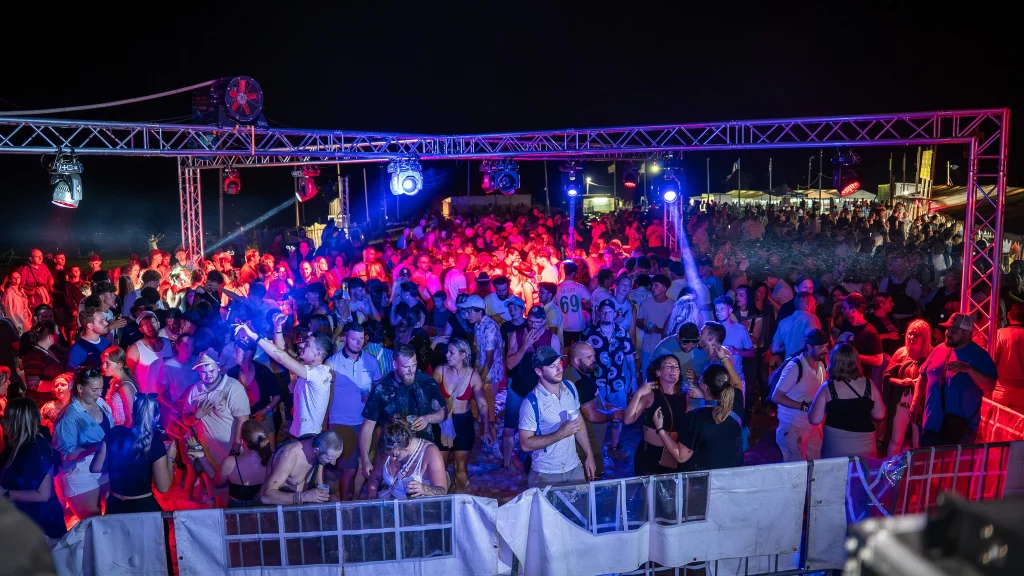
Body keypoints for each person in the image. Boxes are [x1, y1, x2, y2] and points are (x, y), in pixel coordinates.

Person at [235, 315, 335, 438]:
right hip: (299, 433)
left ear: (318, 353)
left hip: (309, 437)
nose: (301, 345)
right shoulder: (306, 368)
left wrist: (253, 335)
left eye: (307, 344)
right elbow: (281, 351)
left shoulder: (319, 373)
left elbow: (281, 357)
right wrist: (278, 328)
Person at [358, 345, 447, 482]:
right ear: (395, 364)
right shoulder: (382, 389)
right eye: (406, 367)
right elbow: (367, 427)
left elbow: (443, 412)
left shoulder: (427, 382)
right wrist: (365, 459)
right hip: (392, 456)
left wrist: (428, 418)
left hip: (423, 453)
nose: (411, 370)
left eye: (414, 365)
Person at [654, 344, 745, 471]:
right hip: (734, 473)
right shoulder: (736, 401)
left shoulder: (695, 417)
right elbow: (737, 383)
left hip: (708, 478)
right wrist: (723, 358)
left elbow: (681, 456)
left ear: (704, 386)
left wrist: (660, 429)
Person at [914, 313, 997, 447]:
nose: (947, 333)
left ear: (967, 333)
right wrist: (916, 401)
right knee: (927, 460)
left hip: (960, 431)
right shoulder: (939, 349)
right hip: (930, 425)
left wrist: (969, 369)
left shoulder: (979, 355)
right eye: (947, 329)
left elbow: (990, 385)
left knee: (954, 461)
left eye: (953, 331)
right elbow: (923, 375)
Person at [518, 346, 595, 488]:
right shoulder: (531, 403)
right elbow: (525, 444)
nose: (559, 369)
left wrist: (589, 455)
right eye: (552, 366)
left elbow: (579, 423)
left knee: (581, 503)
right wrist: (561, 433)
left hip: (574, 468)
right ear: (539, 371)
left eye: (559, 363)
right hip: (545, 474)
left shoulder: (570, 388)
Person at [89, 394, 175, 514]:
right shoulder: (156, 445)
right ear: (157, 417)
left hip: (115, 506)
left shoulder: (115, 432)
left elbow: (95, 468)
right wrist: (170, 458)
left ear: (133, 415)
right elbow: (163, 487)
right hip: (142, 508)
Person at [325, 321, 382, 501]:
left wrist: (372, 396)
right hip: (342, 422)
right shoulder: (332, 363)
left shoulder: (371, 361)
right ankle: (344, 505)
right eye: (354, 339)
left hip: (367, 422)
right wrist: (325, 424)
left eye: (361, 338)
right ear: (345, 338)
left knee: (367, 465)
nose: (358, 343)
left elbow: (379, 389)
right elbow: (324, 396)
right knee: (349, 469)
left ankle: (355, 499)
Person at [0, 398, 66, 541]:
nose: (2, 420)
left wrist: (6, 494)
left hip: (41, 524)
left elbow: (43, 494)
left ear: (17, 421)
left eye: (6, 416)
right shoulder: (13, 444)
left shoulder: (37, 448)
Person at [52, 367, 113, 521]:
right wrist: (96, 447)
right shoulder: (69, 417)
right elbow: (66, 454)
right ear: (80, 388)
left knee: (114, 515)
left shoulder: (101, 403)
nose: (99, 393)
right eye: (94, 390)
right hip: (79, 474)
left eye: (101, 388)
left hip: (104, 468)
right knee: (94, 524)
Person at [181, 353, 250, 483]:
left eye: (212, 371)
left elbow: (243, 421)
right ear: (198, 372)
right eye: (204, 372)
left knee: (235, 486)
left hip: (232, 451)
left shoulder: (233, 387)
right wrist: (196, 415)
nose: (208, 375)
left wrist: (235, 451)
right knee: (215, 487)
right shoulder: (195, 391)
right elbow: (185, 420)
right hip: (208, 453)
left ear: (219, 367)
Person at [433, 338, 491, 492]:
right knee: (440, 468)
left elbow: (482, 404)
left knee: (461, 468)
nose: (447, 355)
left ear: (463, 355)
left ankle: (459, 498)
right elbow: (427, 397)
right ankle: (442, 500)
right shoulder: (440, 371)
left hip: (463, 425)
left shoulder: (473, 376)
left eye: (451, 352)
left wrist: (486, 428)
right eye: (447, 351)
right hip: (442, 423)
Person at [808, 344, 886, 459]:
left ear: (834, 361)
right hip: (865, 446)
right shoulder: (869, 384)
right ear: (856, 361)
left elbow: (814, 419)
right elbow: (880, 414)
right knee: (861, 470)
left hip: (836, 446)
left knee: (835, 470)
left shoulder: (828, 387)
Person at [624, 354, 692, 475]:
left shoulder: (684, 395)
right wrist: (638, 394)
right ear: (658, 372)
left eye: (676, 366)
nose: (673, 369)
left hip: (673, 453)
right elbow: (628, 420)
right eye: (668, 366)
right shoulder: (649, 394)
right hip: (649, 456)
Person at [770, 329, 829, 462]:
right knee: (794, 469)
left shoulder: (821, 365)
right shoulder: (795, 367)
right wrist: (804, 406)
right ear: (809, 346)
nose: (825, 350)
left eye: (826, 346)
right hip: (793, 426)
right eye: (821, 347)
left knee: (815, 465)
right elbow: (776, 397)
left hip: (813, 426)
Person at [569, 342, 623, 479]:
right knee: (593, 478)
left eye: (593, 356)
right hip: (589, 444)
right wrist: (612, 415)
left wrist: (604, 406)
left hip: (582, 443)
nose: (594, 360)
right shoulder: (581, 382)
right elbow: (592, 415)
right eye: (589, 357)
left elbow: (587, 403)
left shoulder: (571, 373)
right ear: (577, 360)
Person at [188, 419, 271, 507]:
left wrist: (201, 456)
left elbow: (216, 482)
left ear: (242, 441)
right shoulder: (272, 458)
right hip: (263, 508)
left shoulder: (230, 463)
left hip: (237, 510)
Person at [882, 320, 931, 456]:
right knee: (896, 440)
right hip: (901, 405)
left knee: (918, 443)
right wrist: (901, 382)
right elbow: (887, 376)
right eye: (910, 333)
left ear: (925, 336)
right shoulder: (901, 353)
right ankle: (891, 467)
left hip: (922, 407)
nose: (911, 337)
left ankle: (918, 468)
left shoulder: (931, 354)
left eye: (916, 335)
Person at [367, 417, 448, 499]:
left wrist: (423, 489)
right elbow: (375, 477)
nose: (393, 459)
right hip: (393, 503)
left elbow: (442, 490)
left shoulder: (429, 452)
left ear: (408, 444)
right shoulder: (388, 445)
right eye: (390, 454)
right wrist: (372, 496)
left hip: (421, 505)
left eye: (396, 455)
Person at [259, 430, 344, 505]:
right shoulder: (290, 455)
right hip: (275, 509)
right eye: (329, 459)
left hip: (298, 507)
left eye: (336, 458)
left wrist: (327, 497)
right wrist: (304, 497)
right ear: (316, 450)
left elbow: (319, 485)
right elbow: (268, 494)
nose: (333, 463)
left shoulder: (318, 451)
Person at [226, 339, 282, 445]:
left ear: (248, 353)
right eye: (234, 351)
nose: (233, 354)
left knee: (268, 450)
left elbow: (277, 395)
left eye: (237, 351)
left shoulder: (263, 371)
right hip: (241, 421)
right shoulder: (232, 373)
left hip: (263, 419)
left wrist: (266, 409)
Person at [126, 310, 172, 395]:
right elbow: (129, 377)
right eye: (145, 325)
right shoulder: (134, 349)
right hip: (147, 397)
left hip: (168, 396)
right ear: (141, 330)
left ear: (158, 324)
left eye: (152, 323)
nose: (150, 327)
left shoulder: (167, 343)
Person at [20, 321, 65, 407]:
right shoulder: (34, 356)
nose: (58, 334)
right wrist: (59, 384)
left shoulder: (48, 350)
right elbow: (33, 384)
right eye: (57, 332)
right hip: (41, 403)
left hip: (50, 399)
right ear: (51, 337)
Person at [991, 302, 1024, 412]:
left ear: (1009, 315)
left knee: (996, 422)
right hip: (1022, 395)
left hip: (1001, 391)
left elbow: (992, 361)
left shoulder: (1000, 333)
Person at [100, 346, 138, 427]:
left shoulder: (125, 386)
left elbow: (132, 418)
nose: (103, 366)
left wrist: (122, 433)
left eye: (108, 363)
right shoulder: (113, 381)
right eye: (103, 363)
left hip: (122, 430)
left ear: (119, 365)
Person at [66, 307, 112, 371]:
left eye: (105, 320)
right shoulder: (77, 350)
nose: (106, 323)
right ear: (90, 325)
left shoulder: (106, 342)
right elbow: (70, 374)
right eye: (101, 321)